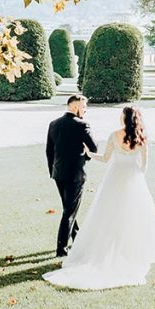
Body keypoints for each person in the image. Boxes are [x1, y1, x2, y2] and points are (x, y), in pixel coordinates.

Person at [43, 105, 155, 290]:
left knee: (108, 215)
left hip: (114, 179)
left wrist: (89, 153)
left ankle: (104, 251)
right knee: (134, 217)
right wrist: (137, 178)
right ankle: (131, 252)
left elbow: (106, 158)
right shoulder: (142, 137)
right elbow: (144, 165)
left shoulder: (114, 135)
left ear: (124, 118)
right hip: (134, 179)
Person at [46, 94, 98, 257]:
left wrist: (53, 171)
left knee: (68, 209)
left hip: (58, 173)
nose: (85, 111)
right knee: (69, 211)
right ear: (75, 107)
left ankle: (77, 238)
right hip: (75, 174)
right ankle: (61, 249)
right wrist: (86, 155)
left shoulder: (53, 124)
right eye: (84, 107)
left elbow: (49, 151)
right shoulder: (82, 125)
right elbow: (94, 148)